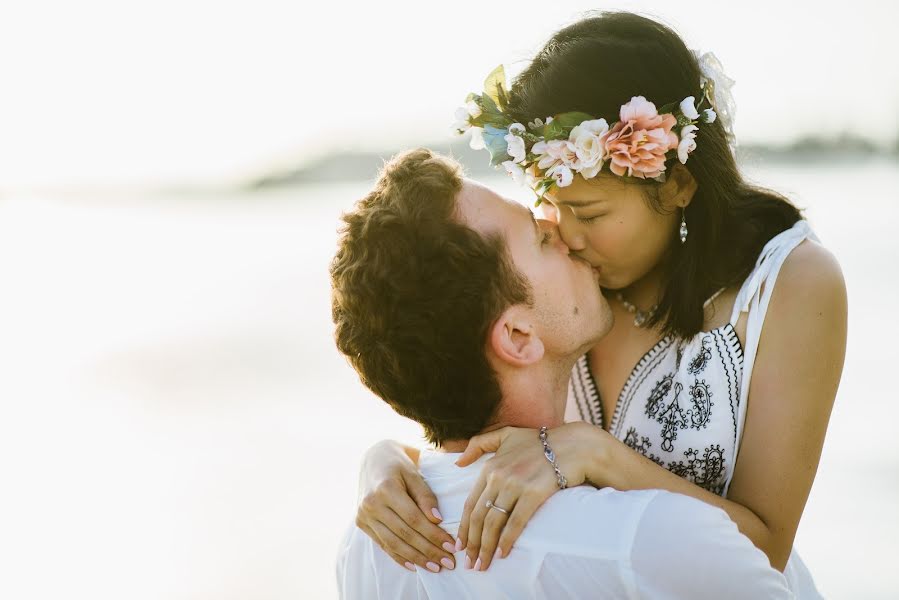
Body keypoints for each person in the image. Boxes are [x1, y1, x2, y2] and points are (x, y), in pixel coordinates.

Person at [354, 12, 846, 599]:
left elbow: (765, 550)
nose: (564, 234)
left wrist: (595, 454)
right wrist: (385, 461)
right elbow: (488, 414)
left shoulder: (790, 285)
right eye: (550, 204)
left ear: (676, 186)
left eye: (588, 213)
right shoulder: (577, 294)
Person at [331, 148, 793, 599]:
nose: (562, 230)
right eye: (540, 238)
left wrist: (385, 454)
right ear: (517, 337)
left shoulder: (366, 548)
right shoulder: (647, 538)